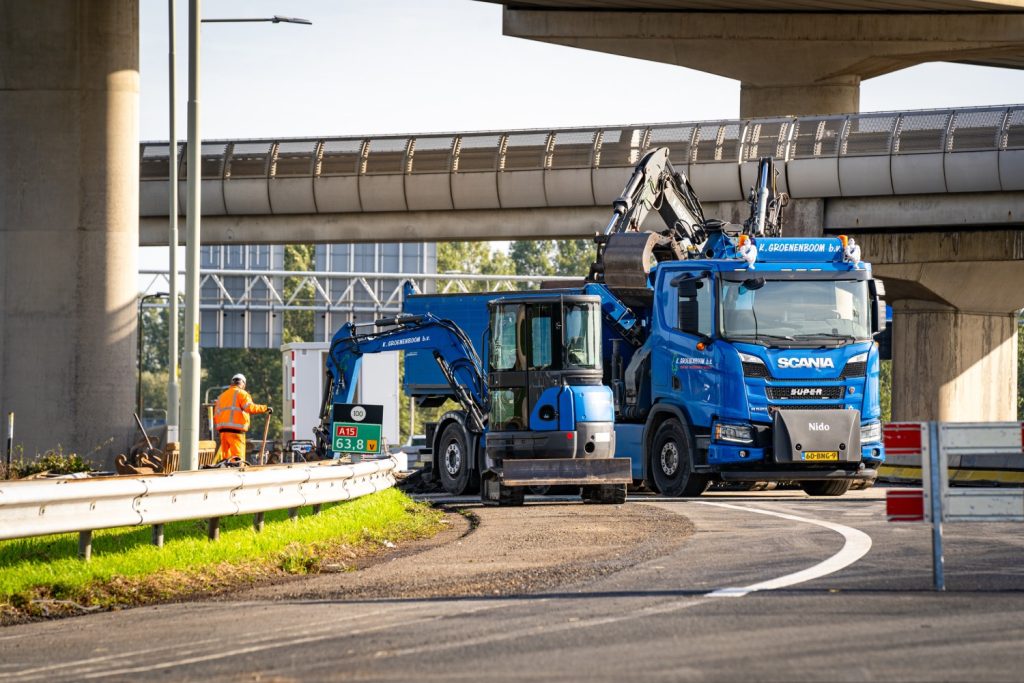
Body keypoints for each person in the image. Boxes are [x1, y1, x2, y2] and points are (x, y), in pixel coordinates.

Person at [213, 373, 271, 464]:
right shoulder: (242, 394)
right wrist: (265, 408)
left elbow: (215, 416)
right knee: (238, 460)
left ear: (232, 383)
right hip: (236, 433)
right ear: (243, 384)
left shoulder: (221, 396)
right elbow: (250, 408)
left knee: (226, 460)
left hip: (223, 433)